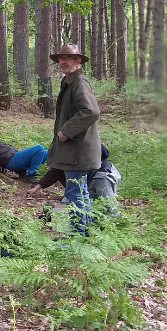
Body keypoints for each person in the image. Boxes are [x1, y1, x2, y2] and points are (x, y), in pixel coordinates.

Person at [47, 43, 102, 233]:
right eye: (61, 58)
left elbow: (91, 111)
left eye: (68, 58)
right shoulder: (69, 81)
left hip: (78, 150)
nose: (63, 61)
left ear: (78, 62)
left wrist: (67, 130)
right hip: (75, 150)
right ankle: (83, 231)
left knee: (74, 192)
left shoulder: (79, 82)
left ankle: (77, 235)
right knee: (81, 191)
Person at [28, 144, 121, 213]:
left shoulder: (87, 142)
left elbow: (104, 153)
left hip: (101, 176)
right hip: (86, 185)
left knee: (108, 207)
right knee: (52, 208)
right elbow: (56, 171)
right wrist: (38, 186)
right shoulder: (66, 156)